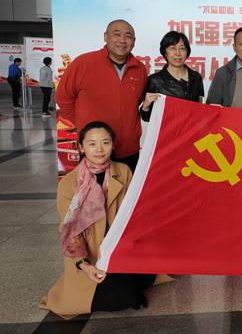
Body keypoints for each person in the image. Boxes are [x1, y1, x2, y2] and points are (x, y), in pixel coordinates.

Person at [40, 121, 157, 319]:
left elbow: (134, 213)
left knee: (146, 278)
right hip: (91, 254)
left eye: (105, 142)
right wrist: (84, 265)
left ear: (113, 145)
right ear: (81, 147)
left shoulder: (124, 171)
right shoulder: (69, 183)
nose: (100, 149)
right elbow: (69, 231)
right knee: (124, 297)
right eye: (92, 144)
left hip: (120, 248)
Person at [56, 19, 148, 171]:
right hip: (96, 150)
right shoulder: (83, 63)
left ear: (134, 41)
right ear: (106, 37)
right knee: (94, 186)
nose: (122, 40)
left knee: (128, 185)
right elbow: (63, 97)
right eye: (116, 34)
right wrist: (83, 126)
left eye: (128, 36)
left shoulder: (139, 68)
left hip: (129, 149)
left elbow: (136, 101)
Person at [140, 31, 204, 121]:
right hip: (169, 129)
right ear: (165, 52)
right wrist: (145, 107)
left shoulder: (196, 77)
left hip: (193, 128)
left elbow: (201, 110)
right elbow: (147, 118)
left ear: (187, 52)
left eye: (182, 48)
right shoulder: (155, 80)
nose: (178, 53)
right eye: (173, 48)